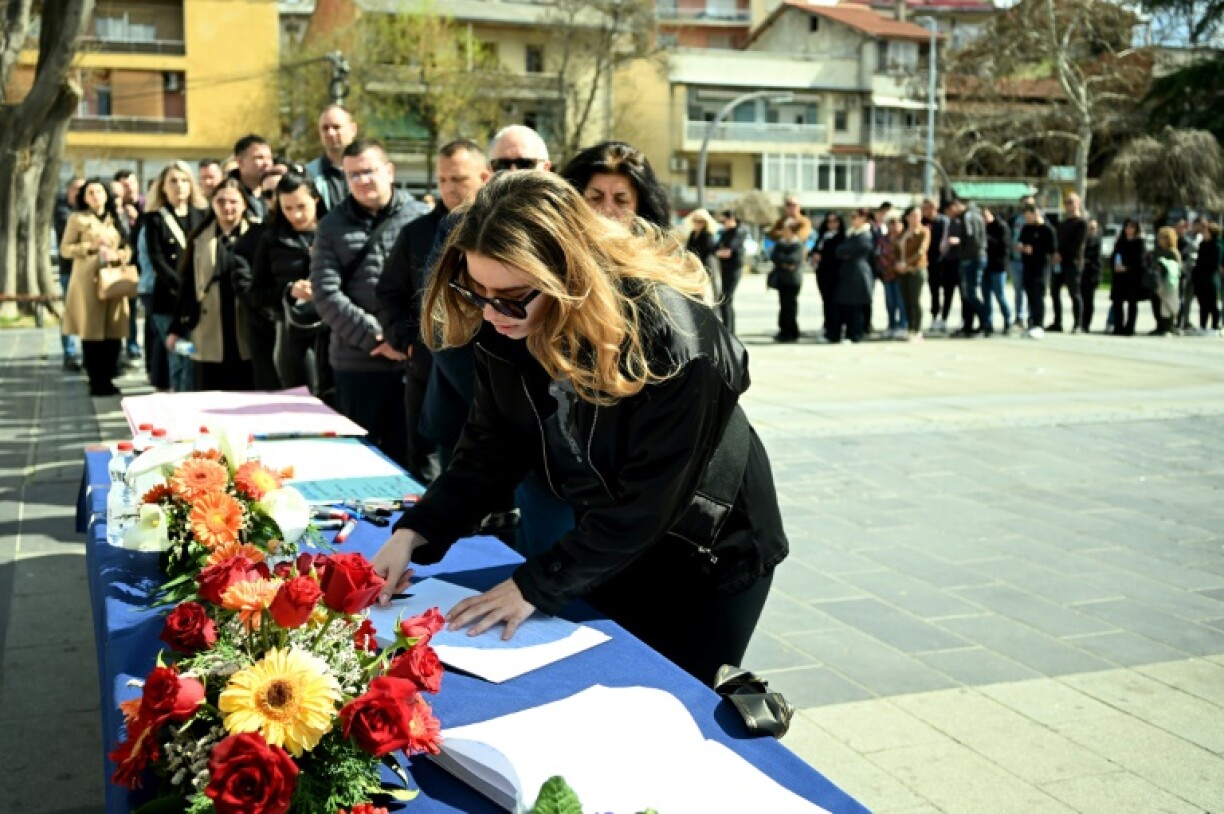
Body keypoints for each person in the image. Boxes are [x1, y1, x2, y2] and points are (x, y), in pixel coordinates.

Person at [370, 171, 789, 686]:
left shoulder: (673, 341)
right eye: (476, 291)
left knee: (676, 693)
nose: (491, 312)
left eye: (510, 295)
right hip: (610, 532)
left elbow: (651, 501)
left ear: (568, 274)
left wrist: (534, 584)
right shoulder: (506, 321)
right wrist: (416, 532)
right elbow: (491, 446)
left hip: (706, 549)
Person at [379, 139, 491, 484]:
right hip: (431, 378)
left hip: (490, 380)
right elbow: (388, 293)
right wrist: (409, 340)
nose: (449, 188)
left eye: (458, 179)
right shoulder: (417, 233)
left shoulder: (502, 231)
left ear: (485, 177)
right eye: (442, 180)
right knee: (432, 477)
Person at [310, 138, 419, 465]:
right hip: (357, 363)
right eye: (353, 175)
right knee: (360, 459)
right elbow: (325, 293)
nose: (362, 180)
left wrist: (405, 339)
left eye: (369, 171)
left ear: (389, 171)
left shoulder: (419, 217)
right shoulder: (331, 226)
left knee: (413, 458)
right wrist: (379, 338)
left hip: (413, 361)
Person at [168, 179, 257, 390]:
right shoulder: (200, 238)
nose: (227, 207)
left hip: (246, 321)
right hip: (210, 323)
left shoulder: (257, 235)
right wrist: (176, 328)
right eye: (221, 201)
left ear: (244, 204)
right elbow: (188, 286)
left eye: (233, 202)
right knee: (211, 388)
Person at [247, 172, 324, 391]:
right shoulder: (271, 239)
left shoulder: (334, 234)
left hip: (335, 328)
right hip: (293, 331)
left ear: (316, 199)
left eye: (301, 206)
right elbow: (256, 295)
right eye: (287, 208)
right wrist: (289, 290)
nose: (296, 215)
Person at [60, 178, 131, 396]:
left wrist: (119, 255)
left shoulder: (115, 217)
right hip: (87, 281)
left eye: (99, 191)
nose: (95, 196)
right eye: (90, 192)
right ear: (84, 197)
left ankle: (109, 376)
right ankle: (96, 380)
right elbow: (65, 249)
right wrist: (89, 247)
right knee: (92, 332)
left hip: (113, 279)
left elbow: (127, 246)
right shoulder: (77, 218)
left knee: (114, 330)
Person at [142, 162, 208, 392]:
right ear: (163, 187)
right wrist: (182, 286)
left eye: (184, 180)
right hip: (168, 300)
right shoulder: (155, 219)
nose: (179, 186)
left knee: (193, 358)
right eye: (173, 181)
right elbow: (157, 259)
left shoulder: (203, 215)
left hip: (197, 300)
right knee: (178, 358)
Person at [559, 141, 671, 229]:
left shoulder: (658, 252)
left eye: (621, 201)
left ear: (640, 211)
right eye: (596, 198)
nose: (607, 210)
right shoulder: (555, 251)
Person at [55, 176, 86, 371]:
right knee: (70, 313)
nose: (80, 193)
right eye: (76, 189)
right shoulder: (63, 211)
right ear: (69, 191)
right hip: (69, 270)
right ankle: (70, 353)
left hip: (89, 270)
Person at [830, 208, 874, 343]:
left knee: (856, 305)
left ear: (863, 218)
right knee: (847, 304)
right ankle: (848, 333)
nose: (852, 219)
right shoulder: (851, 234)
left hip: (858, 273)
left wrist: (846, 252)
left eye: (855, 217)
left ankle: (856, 333)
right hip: (848, 273)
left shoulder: (865, 234)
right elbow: (839, 250)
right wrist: (845, 252)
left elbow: (856, 249)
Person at [1017, 203, 1057, 339]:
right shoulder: (1026, 228)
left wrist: (1035, 249)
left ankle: (1039, 324)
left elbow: (1052, 249)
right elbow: (1021, 241)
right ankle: (1031, 323)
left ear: (1036, 213)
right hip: (1028, 266)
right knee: (1029, 296)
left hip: (1040, 267)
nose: (1027, 219)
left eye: (1028, 216)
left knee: (1038, 296)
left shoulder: (1047, 229)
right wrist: (1021, 246)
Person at [306, 105, 358, 212]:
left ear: (353, 129)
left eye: (336, 127)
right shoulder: (308, 175)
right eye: (325, 128)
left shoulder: (370, 170)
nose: (330, 133)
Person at [1050, 193, 1087, 333]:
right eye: (1066, 202)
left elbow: (1077, 244)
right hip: (1059, 263)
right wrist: (1055, 253)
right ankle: (1057, 322)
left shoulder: (1081, 223)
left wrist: (1062, 255)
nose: (1068, 205)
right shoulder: (1063, 224)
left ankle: (1078, 323)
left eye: (1071, 202)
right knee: (1054, 291)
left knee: (1074, 294)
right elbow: (1057, 241)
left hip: (1073, 263)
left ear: (1078, 203)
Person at [895, 205, 929, 341]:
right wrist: (898, 263)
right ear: (907, 217)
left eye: (919, 215)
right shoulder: (903, 233)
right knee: (906, 301)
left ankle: (918, 329)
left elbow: (921, 251)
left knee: (915, 300)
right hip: (902, 271)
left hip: (916, 269)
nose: (917, 218)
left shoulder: (923, 232)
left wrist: (907, 263)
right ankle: (910, 328)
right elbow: (896, 250)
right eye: (914, 215)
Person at [810, 212, 845, 340]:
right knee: (826, 302)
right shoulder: (823, 236)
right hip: (822, 273)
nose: (832, 224)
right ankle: (827, 326)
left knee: (833, 303)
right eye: (829, 221)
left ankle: (834, 332)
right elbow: (814, 250)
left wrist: (822, 256)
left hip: (834, 274)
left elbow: (836, 255)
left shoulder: (841, 237)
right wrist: (814, 255)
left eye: (835, 221)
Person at [1109, 219, 1147, 336]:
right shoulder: (1120, 242)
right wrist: (1115, 266)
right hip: (1119, 276)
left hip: (1132, 277)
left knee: (1132, 303)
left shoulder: (1139, 243)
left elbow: (1141, 262)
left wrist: (1127, 268)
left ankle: (1130, 327)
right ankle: (1118, 326)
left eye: (1132, 227)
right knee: (1117, 302)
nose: (1129, 229)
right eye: (1127, 227)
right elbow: (1113, 256)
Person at [714, 210, 746, 332]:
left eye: (724, 221)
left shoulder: (739, 231)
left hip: (734, 269)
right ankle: (729, 329)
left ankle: (729, 330)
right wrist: (720, 252)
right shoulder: (725, 232)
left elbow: (727, 252)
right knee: (725, 299)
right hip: (725, 268)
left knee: (726, 299)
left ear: (731, 219)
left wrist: (720, 252)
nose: (722, 224)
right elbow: (715, 248)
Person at [228, 134, 273, 220]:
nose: (266, 163)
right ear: (240, 161)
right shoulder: (227, 193)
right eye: (259, 157)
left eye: (269, 158)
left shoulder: (276, 192)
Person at [983, 208, 1012, 334]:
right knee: (986, 297)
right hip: (985, 267)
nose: (984, 219)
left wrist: (987, 239)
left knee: (1000, 295)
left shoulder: (1001, 227)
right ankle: (988, 323)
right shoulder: (983, 227)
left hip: (998, 266)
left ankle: (1008, 320)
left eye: (986, 215)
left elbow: (1004, 246)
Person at [878, 216, 906, 338]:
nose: (894, 225)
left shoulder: (904, 237)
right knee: (890, 302)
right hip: (887, 274)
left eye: (897, 222)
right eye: (891, 222)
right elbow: (879, 255)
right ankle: (891, 325)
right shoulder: (883, 239)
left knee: (901, 302)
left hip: (901, 275)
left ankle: (903, 325)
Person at [1191, 220, 1221, 334]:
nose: (1203, 234)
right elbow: (1199, 262)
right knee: (1202, 304)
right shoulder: (1202, 245)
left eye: (1206, 232)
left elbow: (1214, 264)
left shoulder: (1217, 246)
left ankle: (1215, 327)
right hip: (1200, 279)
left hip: (1210, 279)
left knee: (1212, 304)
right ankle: (1202, 326)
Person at [1151, 226, 1182, 336]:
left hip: (1169, 283)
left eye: (1163, 237)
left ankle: (1168, 326)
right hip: (1157, 282)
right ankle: (1159, 326)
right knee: (1156, 304)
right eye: (1159, 237)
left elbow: (1176, 268)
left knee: (1168, 305)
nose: (1160, 240)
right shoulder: (1157, 251)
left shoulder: (1173, 252)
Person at [685, 208, 718, 300]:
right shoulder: (692, 234)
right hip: (693, 265)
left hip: (705, 265)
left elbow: (707, 252)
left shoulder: (707, 235)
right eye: (695, 220)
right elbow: (688, 249)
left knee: (704, 290)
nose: (697, 223)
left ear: (705, 222)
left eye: (700, 221)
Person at [1080, 219, 1102, 332]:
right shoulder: (1082, 240)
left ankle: (1086, 324)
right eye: (1089, 228)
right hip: (1082, 274)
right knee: (1081, 299)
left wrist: (1085, 259)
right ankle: (1080, 322)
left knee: (1089, 301)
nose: (1091, 230)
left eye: (1093, 228)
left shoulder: (1097, 241)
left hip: (1092, 275)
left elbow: (1095, 257)